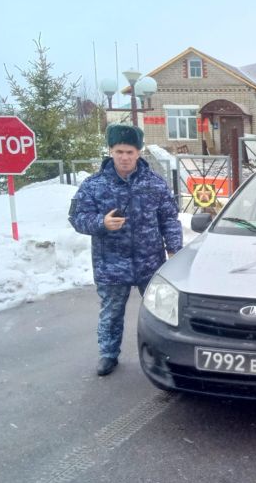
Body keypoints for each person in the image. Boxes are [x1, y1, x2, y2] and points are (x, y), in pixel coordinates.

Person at [69, 124, 183, 376]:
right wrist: (102, 223)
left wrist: (174, 250)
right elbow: (77, 218)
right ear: (110, 151)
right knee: (111, 312)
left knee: (161, 312)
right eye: (119, 151)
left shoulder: (155, 184)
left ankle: (166, 355)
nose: (124, 157)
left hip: (150, 262)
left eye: (130, 152)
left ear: (138, 153)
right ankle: (108, 354)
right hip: (111, 263)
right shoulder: (94, 185)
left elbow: (169, 219)